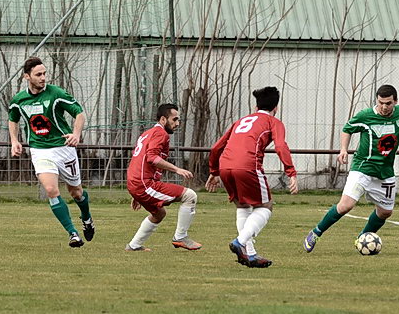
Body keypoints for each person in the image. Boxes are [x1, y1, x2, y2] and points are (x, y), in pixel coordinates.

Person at [303, 84, 399, 252]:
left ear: (395, 101)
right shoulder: (365, 116)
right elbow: (347, 129)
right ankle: (316, 233)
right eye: (381, 102)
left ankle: (362, 238)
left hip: (385, 171)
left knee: (385, 212)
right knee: (345, 206)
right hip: (363, 167)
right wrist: (343, 149)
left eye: (388, 103)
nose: (384, 107)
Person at [205, 87, 298, 268]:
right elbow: (280, 146)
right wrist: (291, 172)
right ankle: (240, 242)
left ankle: (250, 254)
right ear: (276, 108)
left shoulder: (241, 121)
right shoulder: (274, 122)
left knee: (243, 205)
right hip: (248, 166)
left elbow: (216, 147)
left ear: (256, 107)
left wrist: (214, 171)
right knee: (265, 206)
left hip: (225, 166)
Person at [8, 57, 95, 248]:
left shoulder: (56, 93)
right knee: (51, 190)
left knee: (76, 193)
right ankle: (73, 234)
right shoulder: (19, 100)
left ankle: (86, 217)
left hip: (64, 149)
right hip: (39, 150)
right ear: (26, 77)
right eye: (38, 74)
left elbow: (79, 113)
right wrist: (14, 141)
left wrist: (76, 134)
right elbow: (13, 118)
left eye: (44, 74)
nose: (43, 78)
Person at [125, 103, 201, 252]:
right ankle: (180, 237)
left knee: (159, 213)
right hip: (143, 184)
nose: (177, 124)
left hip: (137, 183)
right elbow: (152, 158)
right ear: (163, 119)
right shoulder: (161, 134)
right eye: (174, 119)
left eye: (178, 120)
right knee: (190, 196)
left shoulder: (147, 133)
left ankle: (133, 246)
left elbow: (138, 160)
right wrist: (177, 169)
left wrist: (137, 191)